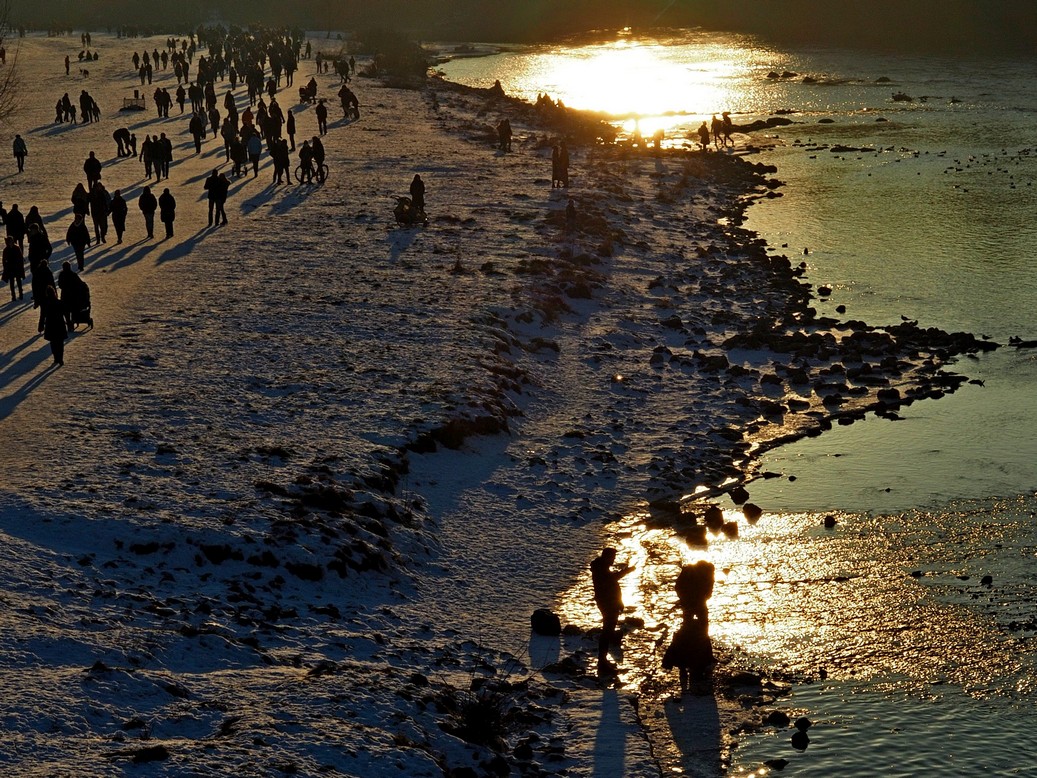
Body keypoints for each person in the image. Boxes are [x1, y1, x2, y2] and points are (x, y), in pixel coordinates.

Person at [590, 547, 633, 672]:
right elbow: (611, 581)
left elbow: (612, 582)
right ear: (606, 557)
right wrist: (626, 571)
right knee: (607, 632)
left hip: (609, 603)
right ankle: (602, 662)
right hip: (607, 604)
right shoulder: (601, 570)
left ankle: (603, 660)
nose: (613, 560)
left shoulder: (601, 568)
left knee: (608, 631)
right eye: (612, 558)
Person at [39, 285, 68, 366]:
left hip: (50, 325)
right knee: (60, 343)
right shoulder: (59, 302)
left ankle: (56, 358)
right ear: (54, 293)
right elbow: (65, 313)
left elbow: (42, 316)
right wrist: (69, 323)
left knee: (53, 343)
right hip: (60, 325)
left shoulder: (45, 304)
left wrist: (41, 326)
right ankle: (60, 359)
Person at [2, 235, 24, 301]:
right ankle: (13, 296)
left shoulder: (17, 248)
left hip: (16, 267)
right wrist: (5, 267)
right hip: (10, 268)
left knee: (18, 281)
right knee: (12, 283)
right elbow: (4, 260)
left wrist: (21, 266)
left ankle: (21, 294)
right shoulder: (6, 250)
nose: (11, 242)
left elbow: (20, 258)